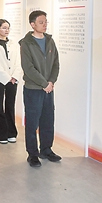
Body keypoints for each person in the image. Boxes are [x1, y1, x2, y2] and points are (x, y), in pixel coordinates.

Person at [19, 10, 61, 167]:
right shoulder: (26, 43)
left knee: (48, 120)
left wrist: (51, 81)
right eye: (41, 22)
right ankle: (32, 154)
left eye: (46, 22)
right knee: (32, 123)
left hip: (48, 89)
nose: (45, 25)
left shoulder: (50, 41)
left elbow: (56, 63)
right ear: (32, 24)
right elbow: (28, 68)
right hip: (33, 89)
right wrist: (44, 84)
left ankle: (46, 150)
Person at [0, 19, 22, 144]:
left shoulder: (14, 44)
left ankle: (11, 132)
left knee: (10, 106)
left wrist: (15, 77)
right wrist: (7, 78)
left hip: (13, 80)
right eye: (4, 28)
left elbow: (19, 62)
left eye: (8, 28)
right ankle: (1, 134)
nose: (7, 30)